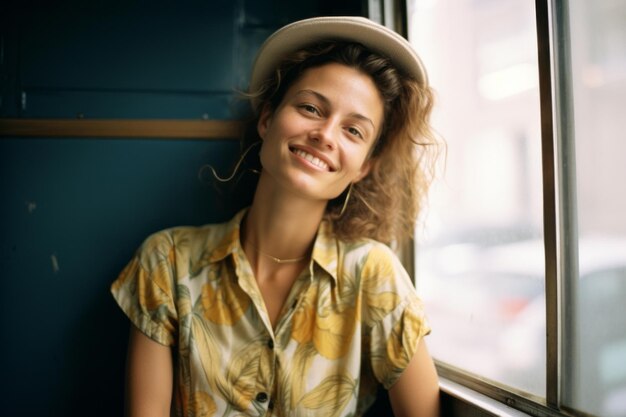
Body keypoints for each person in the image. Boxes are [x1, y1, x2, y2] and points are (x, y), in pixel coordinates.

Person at [111, 16, 441, 417]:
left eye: (354, 131)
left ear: (364, 167)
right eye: (310, 108)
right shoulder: (167, 260)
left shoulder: (374, 275)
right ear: (267, 120)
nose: (326, 134)